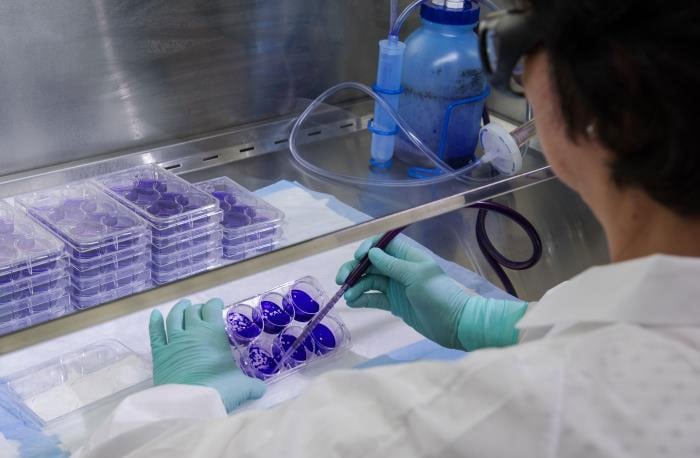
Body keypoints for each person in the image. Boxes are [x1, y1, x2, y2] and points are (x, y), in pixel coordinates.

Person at [76, 0, 700, 456]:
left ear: (597, 100)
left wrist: (181, 402)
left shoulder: (478, 420)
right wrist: (500, 323)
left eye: (514, 41)